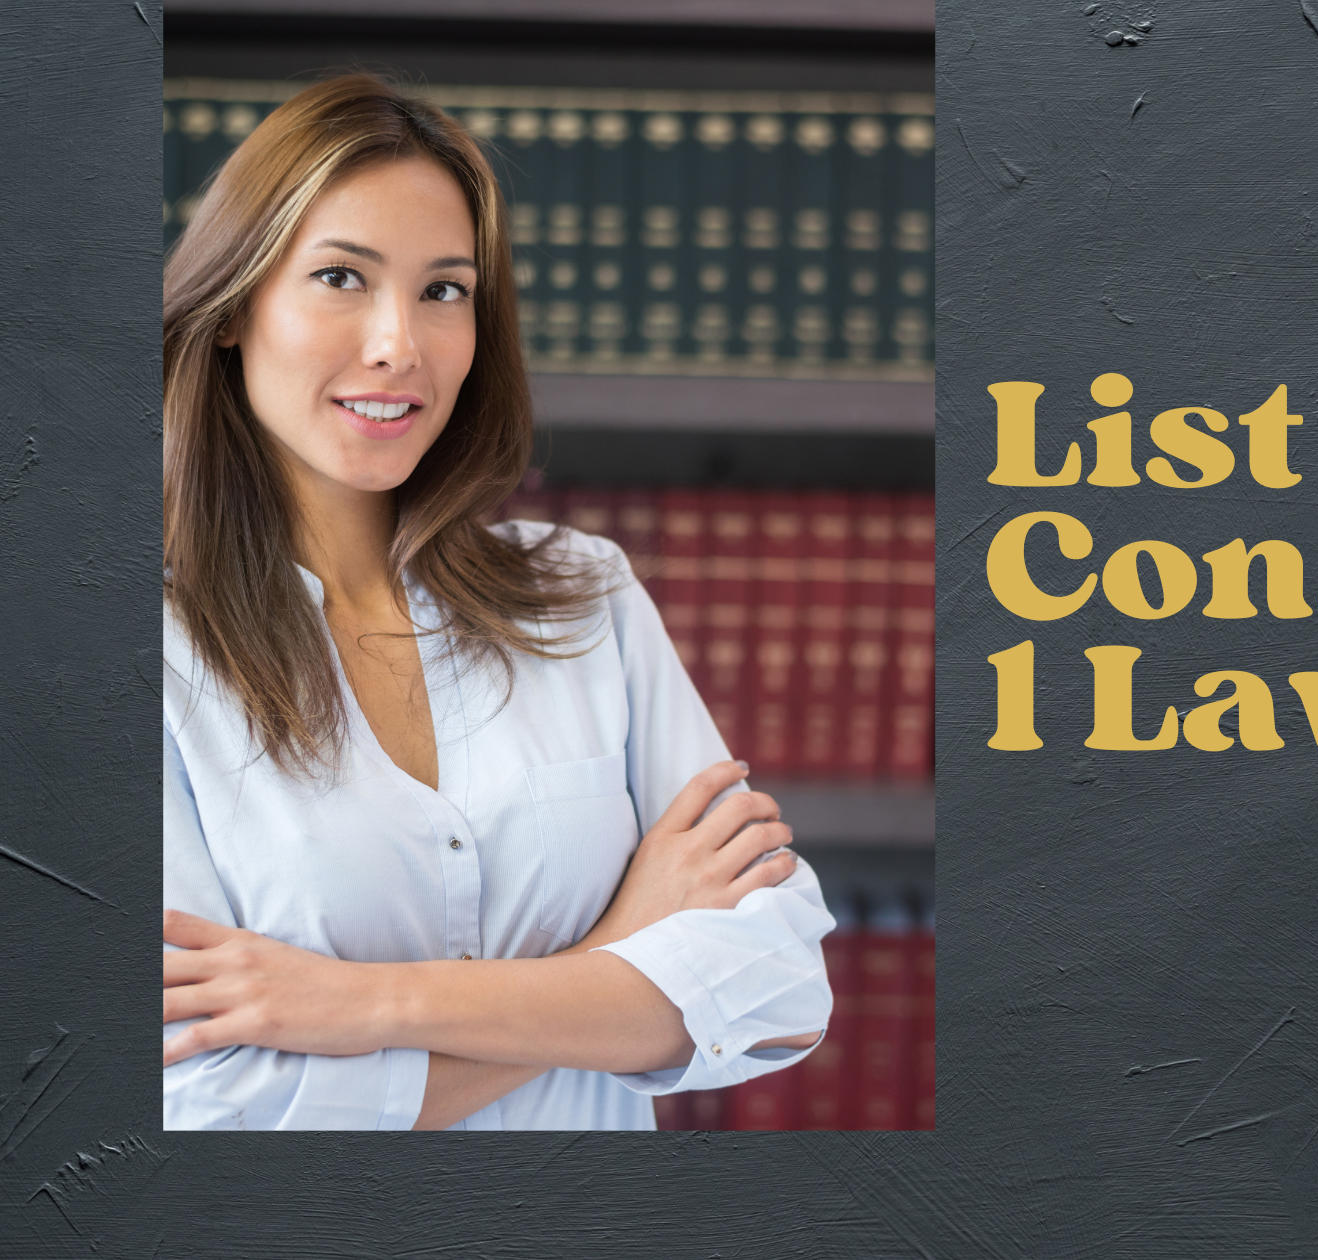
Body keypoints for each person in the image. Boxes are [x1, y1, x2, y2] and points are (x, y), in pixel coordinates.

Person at [160, 74, 833, 1130]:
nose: (400, 345)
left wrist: (357, 1005)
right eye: (342, 276)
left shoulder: (585, 597)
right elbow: (205, 1105)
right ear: (235, 305)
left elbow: (781, 990)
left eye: (444, 291)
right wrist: (616, 958)